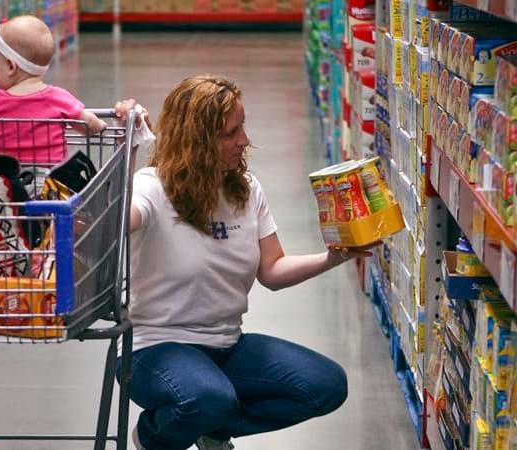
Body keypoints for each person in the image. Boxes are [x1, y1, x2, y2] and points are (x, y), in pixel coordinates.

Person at [114, 75, 378, 450]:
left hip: (227, 345)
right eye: (229, 133)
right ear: (196, 140)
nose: (244, 140)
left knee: (326, 386)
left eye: (243, 126)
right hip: (154, 348)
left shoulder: (246, 190)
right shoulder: (151, 188)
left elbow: (272, 271)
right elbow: (120, 218)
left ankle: (210, 427)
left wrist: (334, 257)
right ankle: (153, 437)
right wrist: (128, 149)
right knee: (206, 398)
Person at [0, 15, 107, 194]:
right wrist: (103, 125)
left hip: (5, 186)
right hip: (51, 186)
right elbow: (89, 125)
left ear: (11, 67)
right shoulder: (58, 97)